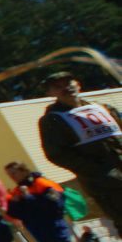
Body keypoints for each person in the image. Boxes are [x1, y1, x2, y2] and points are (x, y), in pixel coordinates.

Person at [38, 70, 122, 224]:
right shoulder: (52, 120)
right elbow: (57, 154)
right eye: (58, 86)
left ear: (77, 84)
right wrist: (100, 172)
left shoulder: (103, 108)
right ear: (50, 93)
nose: (66, 88)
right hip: (106, 182)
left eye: (69, 83)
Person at [4, 162, 96, 242]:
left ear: (23, 171)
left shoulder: (42, 183)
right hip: (37, 231)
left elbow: (55, 206)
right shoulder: (17, 191)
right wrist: (14, 202)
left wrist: (28, 197)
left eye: (14, 173)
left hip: (54, 228)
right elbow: (13, 214)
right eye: (9, 175)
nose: (11, 177)